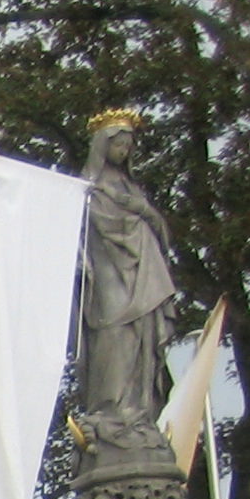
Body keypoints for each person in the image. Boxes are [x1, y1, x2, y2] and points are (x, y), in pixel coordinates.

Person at [76, 109, 179, 432]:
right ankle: (108, 407)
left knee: (141, 337)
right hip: (108, 270)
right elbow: (84, 228)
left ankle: (137, 408)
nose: (123, 152)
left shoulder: (131, 187)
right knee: (113, 333)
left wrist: (142, 210)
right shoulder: (88, 187)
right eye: (118, 145)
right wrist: (133, 216)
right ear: (102, 145)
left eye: (127, 147)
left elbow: (159, 229)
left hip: (143, 275)